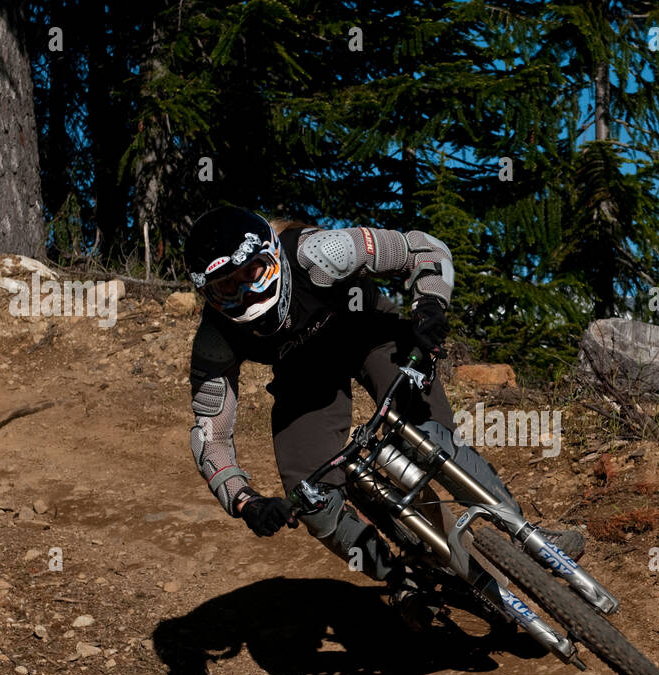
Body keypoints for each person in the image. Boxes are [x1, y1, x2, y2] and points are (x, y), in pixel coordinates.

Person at [183, 206, 583, 599]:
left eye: (250, 272)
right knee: (312, 498)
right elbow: (210, 436)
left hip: (371, 335)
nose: (245, 291)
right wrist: (245, 500)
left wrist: (429, 305)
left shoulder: (320, 252)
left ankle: (528, 534)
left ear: (270, 256)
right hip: (305, 378)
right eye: (226, 286)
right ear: (207, 292)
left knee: (430, 440)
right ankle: (400, 577)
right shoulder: (215, 339)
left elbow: (423, 250)